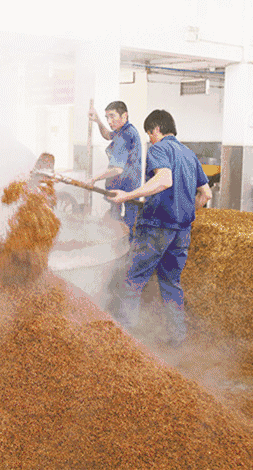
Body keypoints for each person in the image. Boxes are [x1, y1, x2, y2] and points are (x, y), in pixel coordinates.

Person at [107, 109, 212, 344]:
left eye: (149, 134)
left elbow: (164, 179)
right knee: (171, 284)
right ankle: (178, 339)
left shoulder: (159, 148)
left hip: (156, 226)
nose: (149, 140)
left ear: (156, 129)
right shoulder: (188, 153)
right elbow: (206, 194)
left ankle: (125, 341)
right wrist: (186, 213)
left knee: (133, 279)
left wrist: (127, 196)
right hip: (181, 232)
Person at [88, 101, 142, 238]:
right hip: (125, 186)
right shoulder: (124, 130)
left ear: (124, 116)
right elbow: (107, 135)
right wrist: (98, 121)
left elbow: (117, 169)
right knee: (118, 225)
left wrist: (94, 179)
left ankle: (123, 256)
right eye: (107, 117)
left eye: (112, 116)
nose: (109, 121)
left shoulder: (125, 136)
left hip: (125, 189)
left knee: (123, 229)